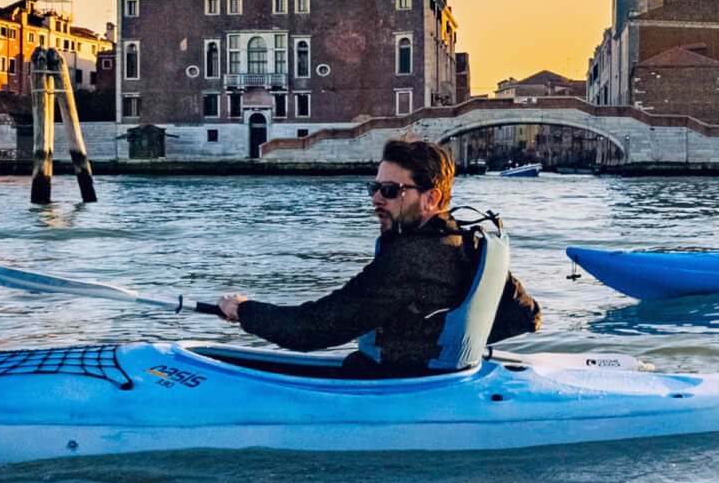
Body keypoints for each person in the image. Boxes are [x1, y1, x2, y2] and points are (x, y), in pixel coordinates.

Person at [216, 139, 540, 377]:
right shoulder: (470, 242)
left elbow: (311, 330)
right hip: (438, 382)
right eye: (375, 187)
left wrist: (243, 309)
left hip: (392, 389)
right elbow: (526, 314)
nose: (375, 199)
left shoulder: (410, 259)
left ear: (431, 198)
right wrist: (438, 346)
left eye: (390, 190)